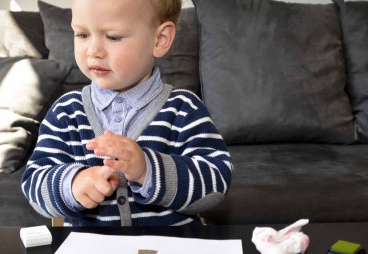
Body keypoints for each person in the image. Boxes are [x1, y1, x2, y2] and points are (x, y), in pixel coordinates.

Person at [21, 0, 232, 226]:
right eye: (82, 34)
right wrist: (70, 185)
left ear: (160, 40)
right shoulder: (65, 113)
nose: (93, 51)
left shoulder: (184, 108)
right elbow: (34, 182)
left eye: (113, 37)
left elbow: (216, 186)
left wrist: (148, 169)